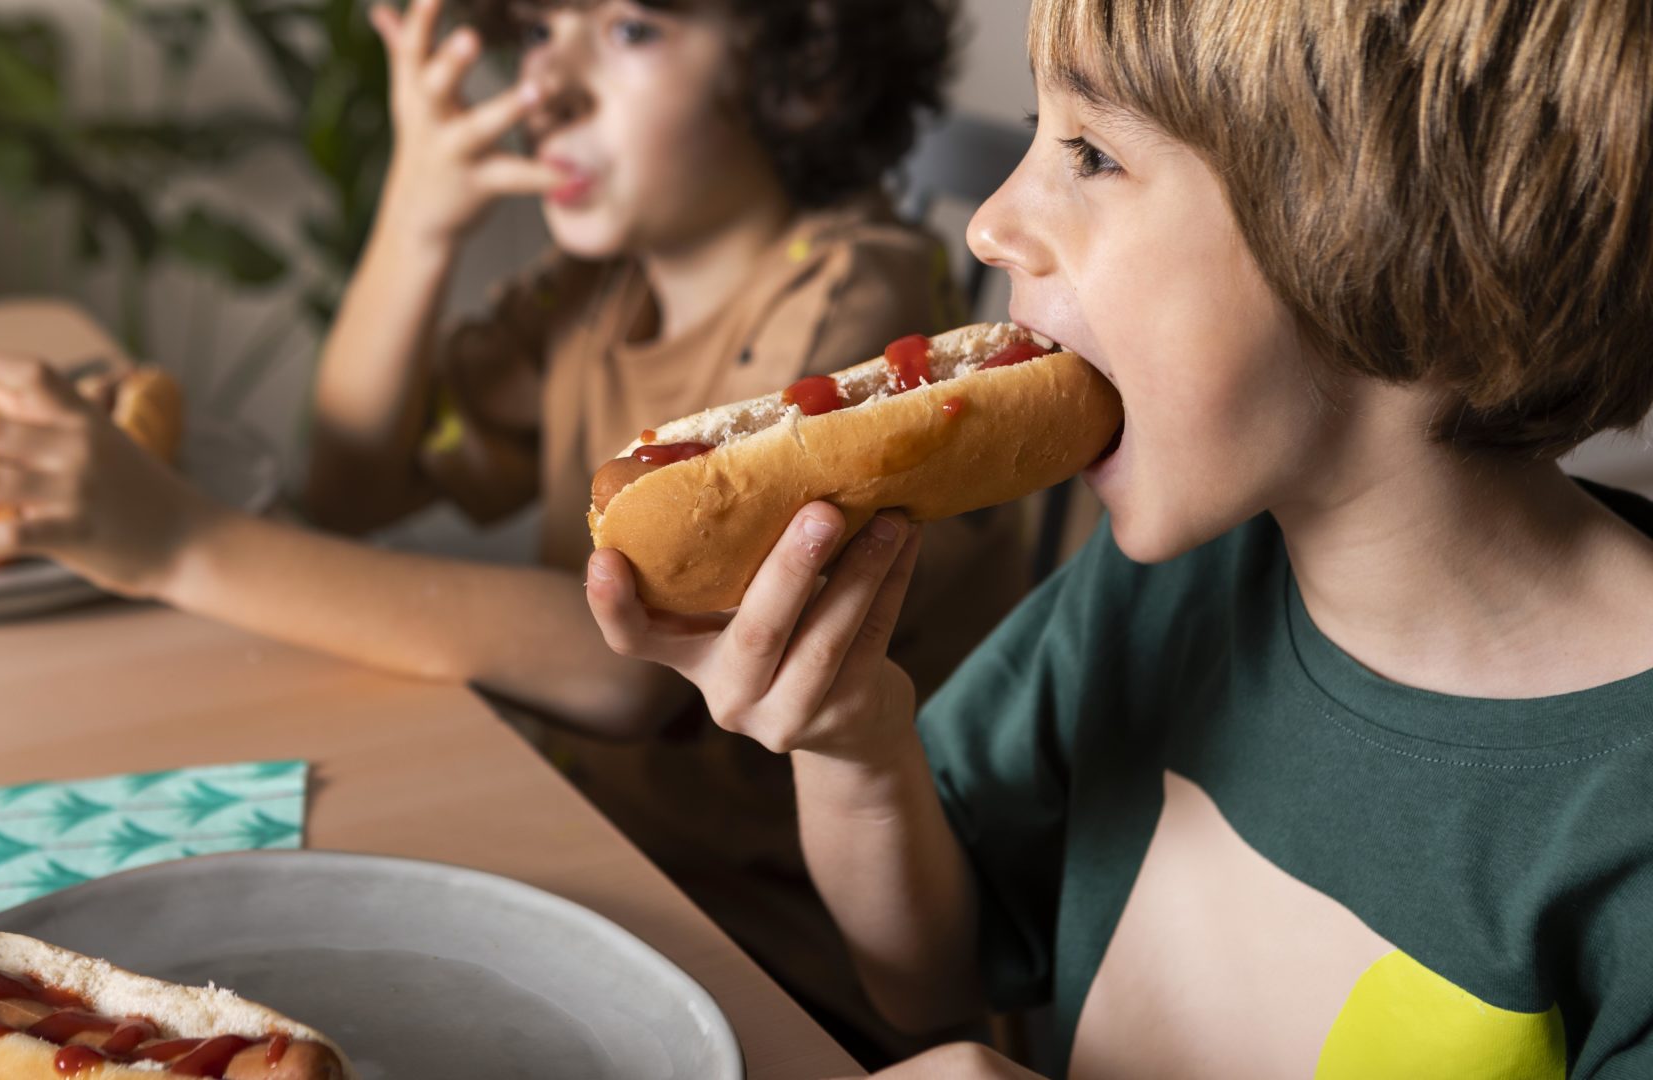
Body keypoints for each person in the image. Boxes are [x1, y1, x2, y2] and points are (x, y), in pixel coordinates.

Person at [0, 0, 1008, 1057]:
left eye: (628, 27)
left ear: (804, 64)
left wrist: (178, 548)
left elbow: (626, 666)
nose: (545, 83)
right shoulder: (591, 291)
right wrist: (415, 217)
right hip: (602, 859)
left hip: (793, 962)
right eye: (537, 29)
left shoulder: (857, 294)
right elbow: (352, 483)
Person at [584, 0, 1653, 1075]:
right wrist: (853, 744)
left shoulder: (1625, 822)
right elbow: (932, 974)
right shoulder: (1175, 584)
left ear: (1409, 236)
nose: (989, 222)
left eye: (1091, 153)